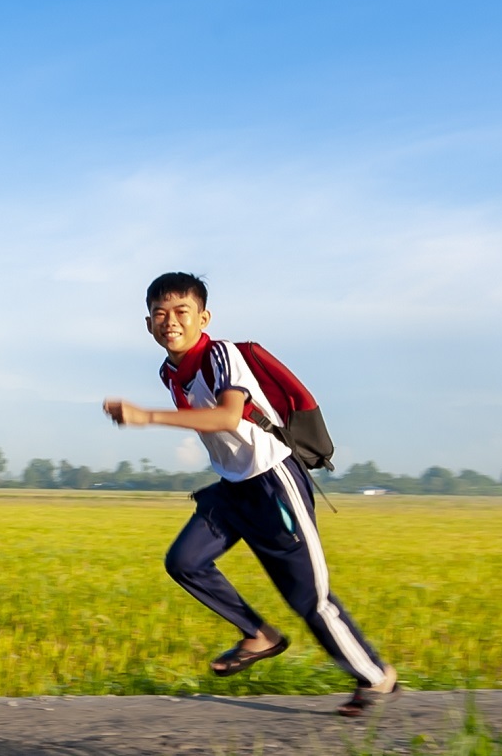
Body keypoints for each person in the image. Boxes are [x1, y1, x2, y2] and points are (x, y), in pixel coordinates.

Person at [103, 272, 399, 717]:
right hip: (233, 488)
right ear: (148, 325)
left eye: (182, 312)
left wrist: (147, 417)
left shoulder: (222, 354)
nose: (171, 322)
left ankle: (376, 677)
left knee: (308, 598)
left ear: (203, 317)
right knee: (184, 562)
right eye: (160, 315)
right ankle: (260, 635)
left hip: (273, 482)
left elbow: (226, 417)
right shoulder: (169, 372)